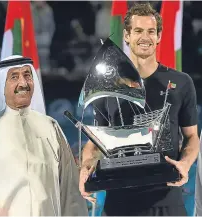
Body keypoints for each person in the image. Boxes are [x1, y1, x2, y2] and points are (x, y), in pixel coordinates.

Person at [79, 3, 200, 216]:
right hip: (119, 203)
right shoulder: (107, 87)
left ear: (159, 36)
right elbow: (95, 142)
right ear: (126, 35)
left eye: (151, 31)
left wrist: (185, 163)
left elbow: (191, 137)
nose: (145, 37)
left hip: (167, 201)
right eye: (138, 31)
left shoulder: (182, 82)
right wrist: (87, 166)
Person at [0, 55, 88, 216]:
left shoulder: (51, 128)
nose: (23, 83)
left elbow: (70, 192)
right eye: (14, 77)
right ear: (1, 85)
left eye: (27, 75)